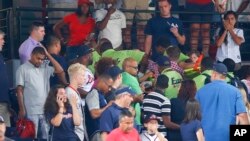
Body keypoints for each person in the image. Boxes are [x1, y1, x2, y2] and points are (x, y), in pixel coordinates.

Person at [16, 47, 65, 139]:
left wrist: (48, 55)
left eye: (42, 59)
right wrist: (22, 109)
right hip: (31, 110)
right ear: (31, 55)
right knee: (32, 137)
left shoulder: (45, 68)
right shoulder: (22, 69)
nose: (40, 61)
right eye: (38, 58)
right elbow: (19, 90)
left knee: (46, 137)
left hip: (45, 110)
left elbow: (60, 70)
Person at [196, 63, 249, 141]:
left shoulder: (200, 91)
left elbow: (194, 115)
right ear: (225, 76)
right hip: (227, 136)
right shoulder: (235, 91)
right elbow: (242, 116)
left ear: (214, 74)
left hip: (206, 136)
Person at [85, 74, 114, 140]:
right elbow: (94, 114)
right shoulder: (94, 93)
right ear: (102, 82)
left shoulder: (101, 95)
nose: (109, 89)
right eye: (109, 86)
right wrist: (108, 106)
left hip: (101, 131)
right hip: (96, 131)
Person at [65, 63, 87, 141]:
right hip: (74, 134)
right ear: (76, 76)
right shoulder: (69, 93)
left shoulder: (75, 92)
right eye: (83, 75)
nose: (85, 78)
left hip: (79, 133)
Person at [0, 31, 11, 127]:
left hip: (4, 101)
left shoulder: (1, 56)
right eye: (1, 39)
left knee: (6, 130)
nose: (3, 42)